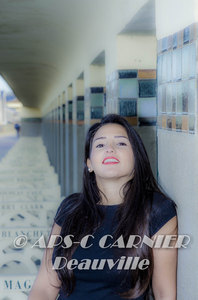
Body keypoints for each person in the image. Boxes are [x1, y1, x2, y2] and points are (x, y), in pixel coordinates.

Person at [28, 114, 178, 300]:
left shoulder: (157, 210)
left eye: (121, 143)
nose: (110, 149)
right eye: (100, 145)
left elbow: (165, 293)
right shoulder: (70, 208)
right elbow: (44, 287)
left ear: (136, 158)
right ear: (89, 164)